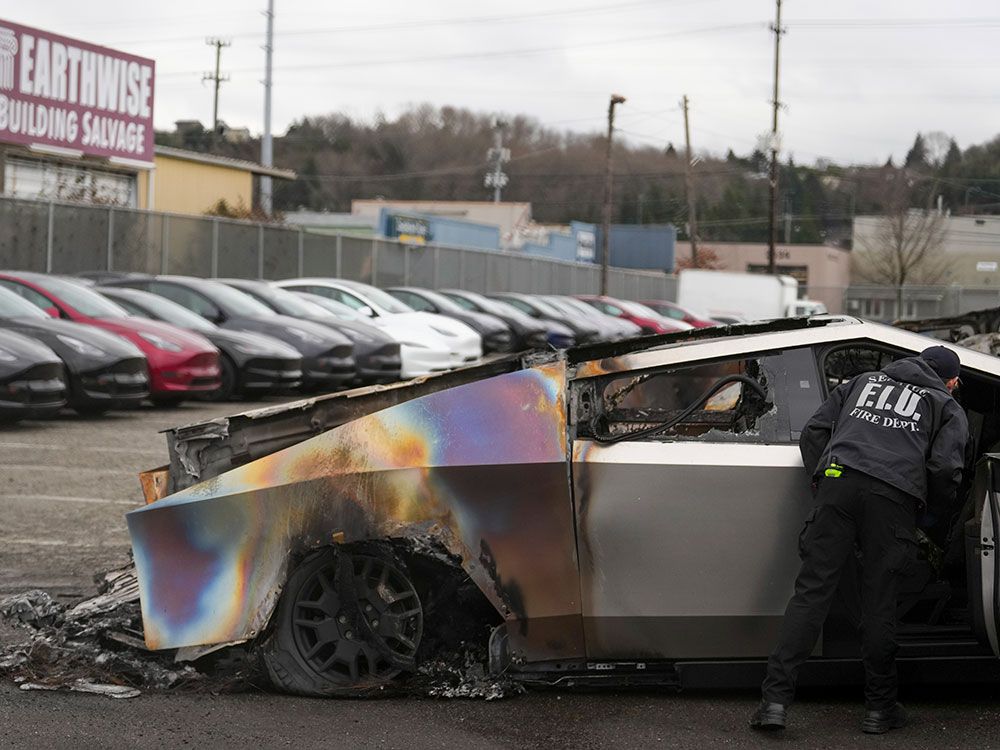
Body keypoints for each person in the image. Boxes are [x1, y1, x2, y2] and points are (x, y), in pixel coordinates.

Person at [750, 346, 968, 734]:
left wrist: (825, 482)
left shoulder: (861, 382)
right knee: (878, 603)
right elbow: (946, 469)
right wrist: (929, 515)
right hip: (893, 499)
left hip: (838, 483)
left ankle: (774, 703)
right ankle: (880, 709)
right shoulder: (945, 406)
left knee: (811, 593)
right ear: (950, 381)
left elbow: (815, 431)